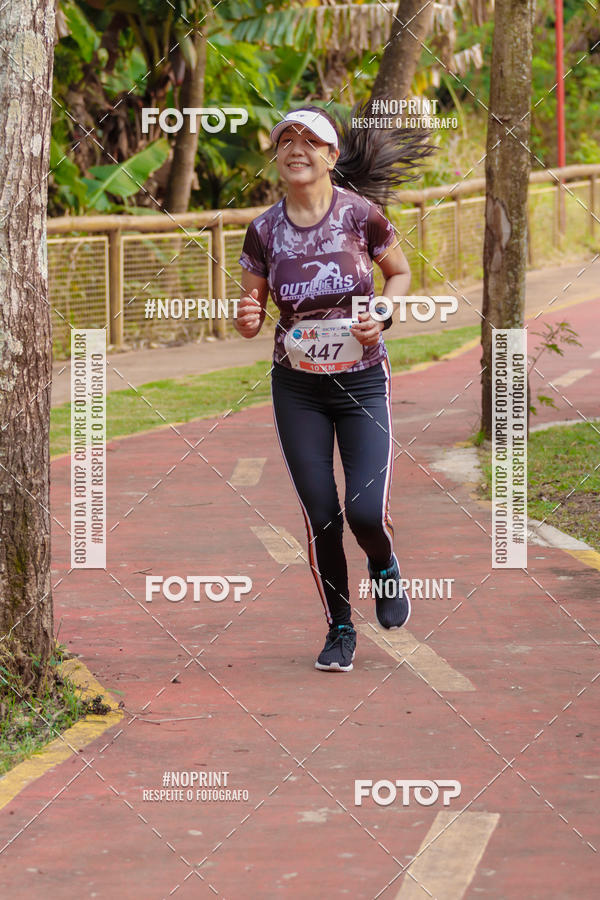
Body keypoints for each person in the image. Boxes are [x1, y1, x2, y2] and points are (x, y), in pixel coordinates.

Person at [235, 104, 434, 672]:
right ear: (277, 156)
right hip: (298, 390)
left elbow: (398, 273)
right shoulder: (264, 229)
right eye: (286, 140)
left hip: (363, 383)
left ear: (330, 155)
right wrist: (248, 317)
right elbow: (252, 303)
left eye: (309, 141)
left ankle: (385, 564)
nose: (296, 149)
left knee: (364, 512)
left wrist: (383, 313)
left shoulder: (359, 215)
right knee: (323, 514)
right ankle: (340, 629)